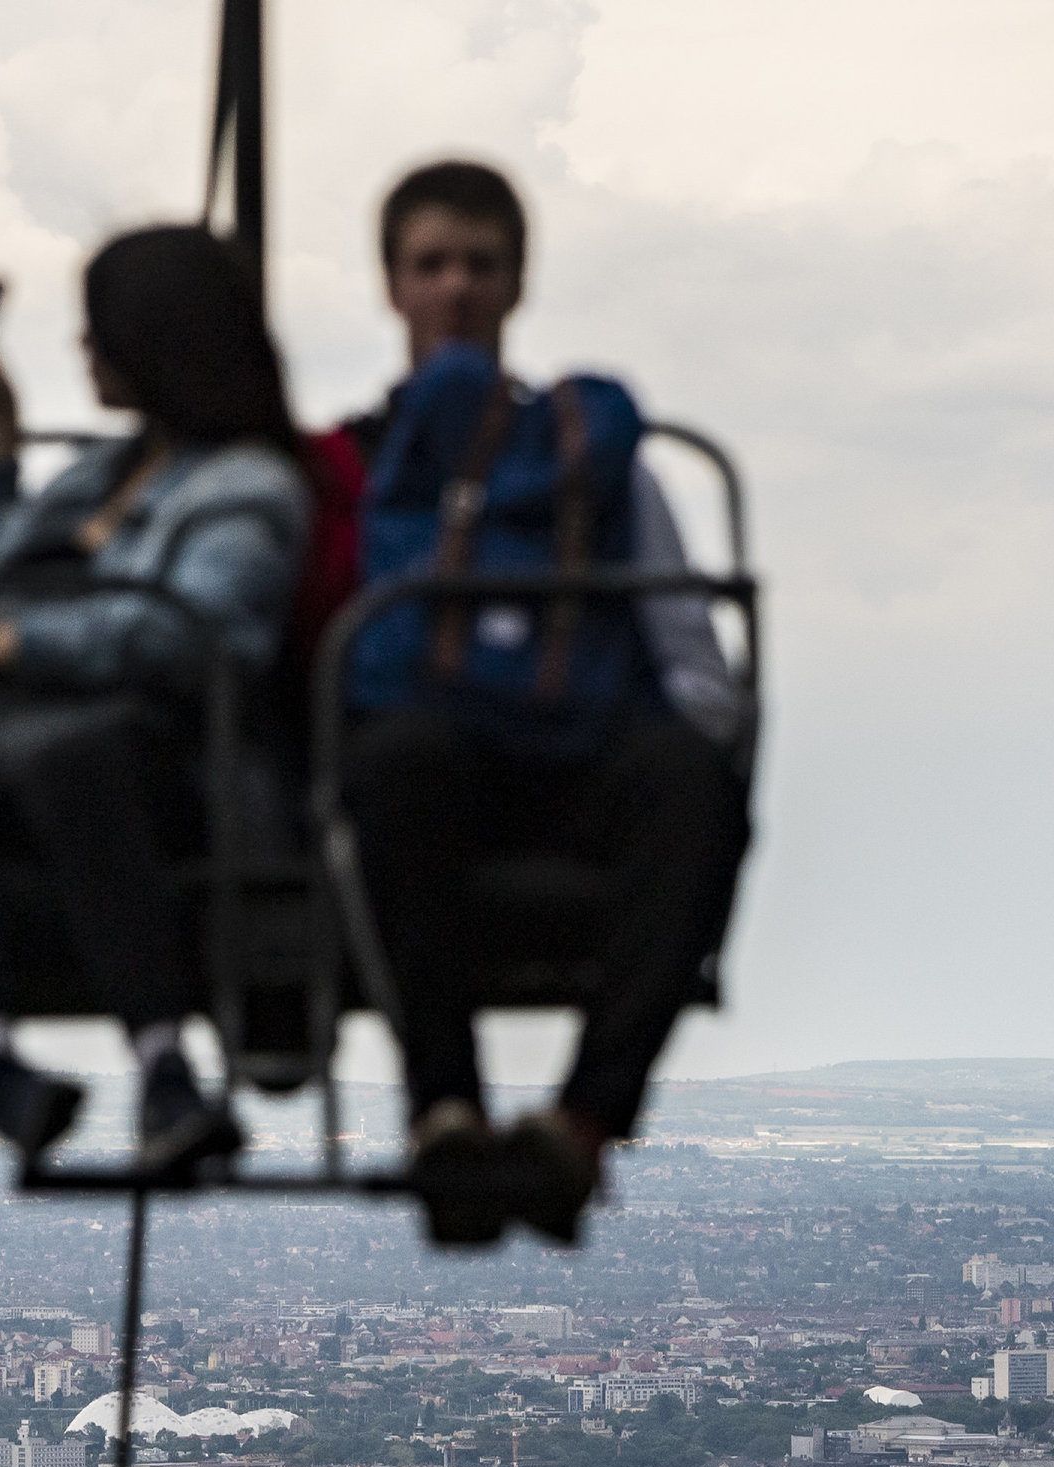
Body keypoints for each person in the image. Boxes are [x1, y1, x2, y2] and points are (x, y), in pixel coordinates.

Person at [328, 161, 750, 1245]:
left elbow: (690, 661)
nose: (457, 289)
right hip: (431, 775)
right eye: (433, 265)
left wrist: (689, 766)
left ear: (515, 285)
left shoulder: (591, 463)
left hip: (576, 768)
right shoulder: (355, 466)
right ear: (393, 285)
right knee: (396, 764)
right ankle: (446, 1110)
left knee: (693, 784)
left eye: (479, 264)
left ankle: (583, 1122)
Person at [0, 225, 310, 1171]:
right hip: (26, 756)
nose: (83, 351)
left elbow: (195, 633)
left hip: (165, 764)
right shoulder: (91, 477)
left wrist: (12, 646)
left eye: (97, 331)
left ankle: (163, 1068)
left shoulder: (250, 487)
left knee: (75, 758)